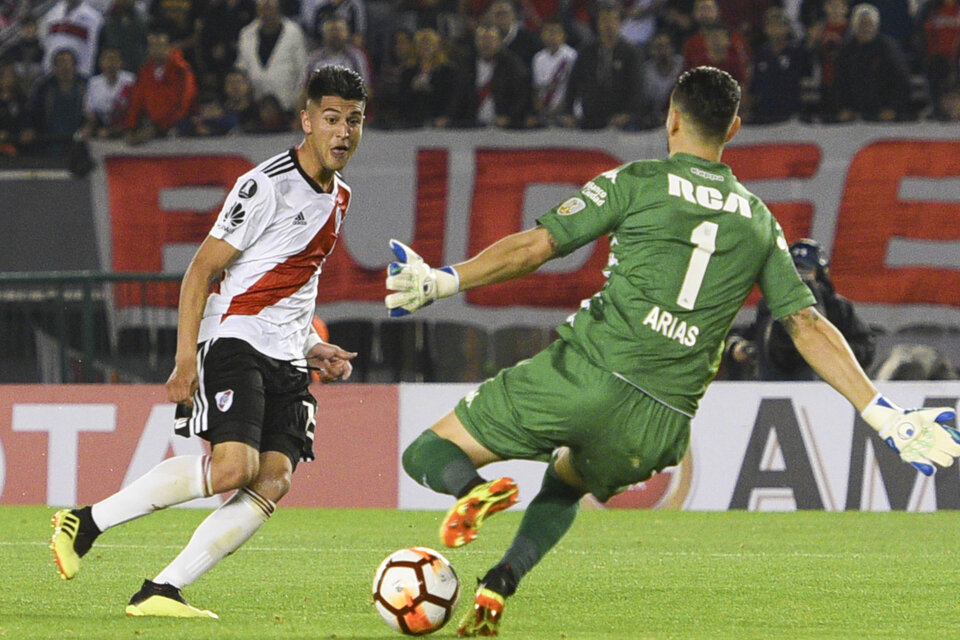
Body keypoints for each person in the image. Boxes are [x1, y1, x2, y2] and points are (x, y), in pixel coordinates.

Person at [384, 66, 960, 637]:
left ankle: (473, 492)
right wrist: (882, 414)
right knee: (565, 485)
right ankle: (502, 580)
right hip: (660, 425)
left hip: (587, 372)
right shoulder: (759, 222)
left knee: (428, 452)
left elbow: (537, 247)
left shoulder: (637, 182)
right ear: (733, 128)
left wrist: (445, 281)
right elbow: (806, 325)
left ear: (672, 117)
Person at [50, 64, 366, 618]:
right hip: (235, 340)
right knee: (232, 470)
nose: (344, 132)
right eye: (333, 119)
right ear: (307, 120)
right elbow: (200, 271)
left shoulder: (339, 196)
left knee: (275, 478)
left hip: (287, 353)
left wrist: (308, 344)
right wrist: (183, 359)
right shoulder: (264, 184)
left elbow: (297, 276)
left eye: (355, 121)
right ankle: (87, 522)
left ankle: (162, 589)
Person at [723, 238, 875, 380]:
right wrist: (741, 349)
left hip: (824, 391)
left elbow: (866, 347)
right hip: (772, 385)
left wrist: (835, 352)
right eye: (793, 270)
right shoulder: (769, 306)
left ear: (820, 274)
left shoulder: (837, 307)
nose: (799, 277)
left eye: (805, 271)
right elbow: (744, 340)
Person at [563, 3, 640, 130]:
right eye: (604, 20)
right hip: (590, 117)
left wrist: (627, 113)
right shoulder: (586, 51)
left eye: (612, 20)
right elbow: (573, 82)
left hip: (619, 120)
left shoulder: (630, 52)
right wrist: (568, 112)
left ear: (619, 23)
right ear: (598, 23)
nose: (608, 25)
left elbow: (637, 86)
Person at [834, 2, 911, 122]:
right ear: (855, 25)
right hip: (855, 116)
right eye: (862, 23)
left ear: (876, 25)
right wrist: (844, 108)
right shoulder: (847, 50)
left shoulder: (888, 48)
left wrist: (892, 108)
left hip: (884, 115)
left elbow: (901, 80)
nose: (866, 27)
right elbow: (840, 82)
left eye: (869, 23)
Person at [123, 24, 198, 145]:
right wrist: (130, 127)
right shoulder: (145, 72)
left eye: (160, 46)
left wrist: (162, 127)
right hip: (152, 127)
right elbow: (137, 101)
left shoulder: (181, 70)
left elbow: (186, 102)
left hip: (178, 127)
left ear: (169, 47)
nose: (156, 50)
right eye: (152, 46)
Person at [236, 0, 308, 115]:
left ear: (278, 9)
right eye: (262, 8)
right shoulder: (246, 34)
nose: (266, 12)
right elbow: (242, 68)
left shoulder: (294, 32)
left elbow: (303, 71)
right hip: (256, 106)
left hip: (287, 104)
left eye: (270, 8)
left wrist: (299, 106)